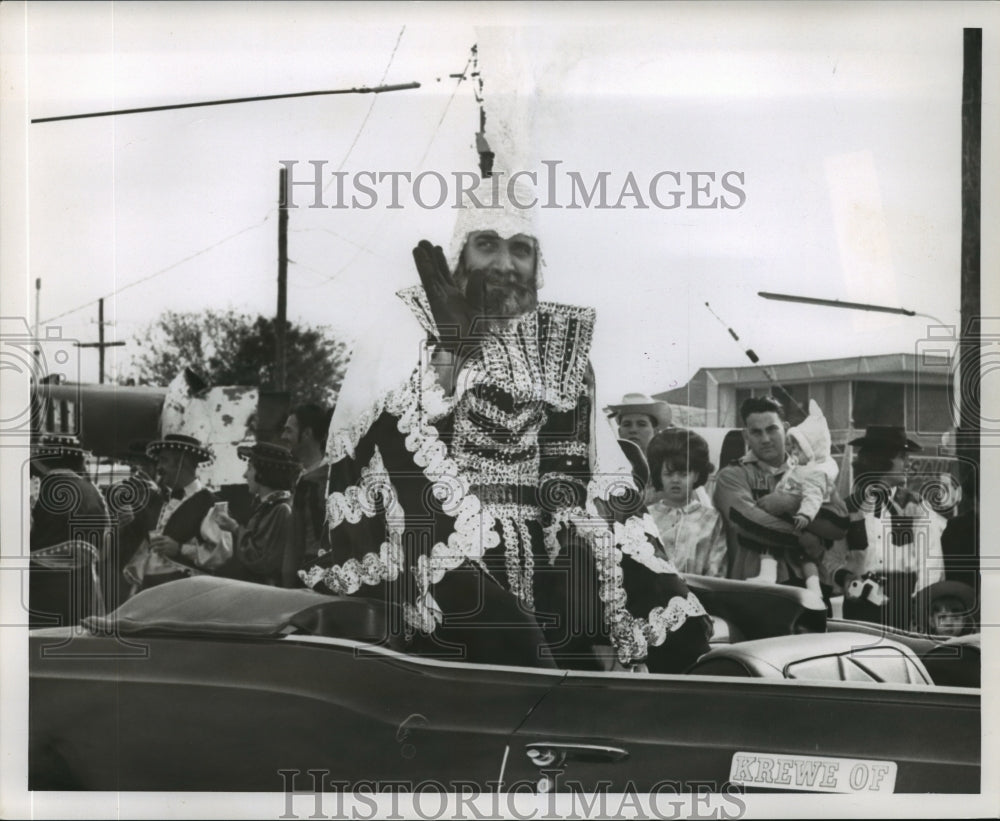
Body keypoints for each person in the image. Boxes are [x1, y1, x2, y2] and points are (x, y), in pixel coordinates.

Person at [300, 179, 712, 673]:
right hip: (428, 547)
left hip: (540, 549)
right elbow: (393, 462)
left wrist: (585, 566)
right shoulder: (410, 332)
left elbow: (575, 473)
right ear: (460, 254)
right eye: (487, 244)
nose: (504, 264)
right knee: (511, 643)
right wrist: (452, 356)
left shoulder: (560, 346)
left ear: (537, 266)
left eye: (520, 250)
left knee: (673, 627)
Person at [713, 395, 847, 587]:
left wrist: (791, 502)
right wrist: (804, 537)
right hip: (757, 587)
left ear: (785, 428)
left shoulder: (812, 470)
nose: (766, 439)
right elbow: (748, 522)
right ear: (746, 436)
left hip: (812, 585)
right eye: (756, 432)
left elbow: (839, 524)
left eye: (771, 429)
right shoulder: (732, 475)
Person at [832, 426, 946, 631]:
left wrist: (918, 610)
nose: (908, 462)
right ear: (880, 460)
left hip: (903, 603)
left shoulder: (916, 506)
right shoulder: (849, 507)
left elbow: (930, 563)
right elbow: (831, 557)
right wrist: (845, 578)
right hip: (859, 602)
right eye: (902, 456)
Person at [747, 399, 844, 597]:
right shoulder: (800, 469)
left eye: (799, 449)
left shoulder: (814, 473)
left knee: (771, 542)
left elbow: (817, 500)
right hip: (802, 526)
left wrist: (800, 512)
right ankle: (813, 587)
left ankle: (770, 574)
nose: (794, 453)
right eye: (756, 432)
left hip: (801, 520)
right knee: (804, 557)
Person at [122, 434, 232, 595]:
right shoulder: (158, 500)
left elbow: (221, 554)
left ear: (183, 463)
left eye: (164, 461)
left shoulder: (211, 504)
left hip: (186, 592)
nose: (159, 467)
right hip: (150, 589)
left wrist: (180, 549)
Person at [29, 434, 112, 627]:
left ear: (43, 461)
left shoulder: (37, 490)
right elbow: (105, 548)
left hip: (40, 588)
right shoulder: (94, 492)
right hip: (85, 588)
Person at [215, 442, 300, 586]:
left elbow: (261, 560)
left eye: (249, 468)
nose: (245, 475)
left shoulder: (281, 509)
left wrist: (235, 528)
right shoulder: (267, 507)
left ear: (262, 473)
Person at [646, 429, 727, 578]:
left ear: (696, 475)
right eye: (669, 474)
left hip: (699, 595)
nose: (675, 480)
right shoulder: (646, 516)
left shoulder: (711, 518)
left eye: (683, 474)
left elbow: (716, 568)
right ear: (659, 475)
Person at [281, 404, 331, 587]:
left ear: (307, 433)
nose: (283, 437)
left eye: (289, 431)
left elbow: (296, 545)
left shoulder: (320, 480)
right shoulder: (306, 478)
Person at [607, 392, 673, 455]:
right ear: (619, 432)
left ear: (655, 432)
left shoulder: (664, 465)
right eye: (627, 424)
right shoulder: (607, 463)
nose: (633, 430)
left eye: (641, 424)